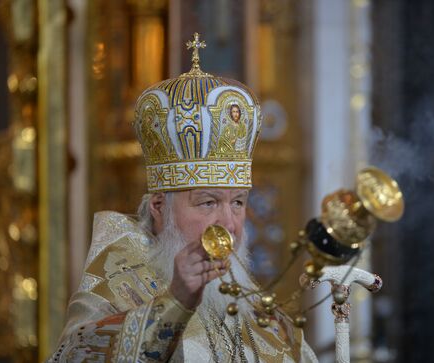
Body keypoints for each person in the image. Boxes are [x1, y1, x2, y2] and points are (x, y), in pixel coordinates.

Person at [48, 34, 318, 362]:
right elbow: (75, 354)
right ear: (159, 208)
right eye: (208, 203)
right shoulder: (115, 281)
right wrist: (175, 301)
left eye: (237, 202)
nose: (228, 224)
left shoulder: (256, 307)